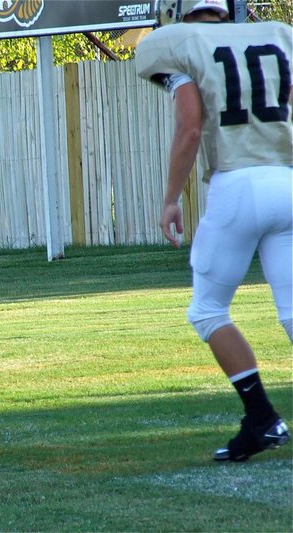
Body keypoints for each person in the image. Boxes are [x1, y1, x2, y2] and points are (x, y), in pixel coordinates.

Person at [136, 0, 292, 462]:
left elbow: (190, 127)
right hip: (287, 180)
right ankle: (262, 421)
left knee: (207, 311)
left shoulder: (179, 42)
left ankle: (262, 418)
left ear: (176, 10)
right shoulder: (277, 34)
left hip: (237, 185)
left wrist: (170, 199)